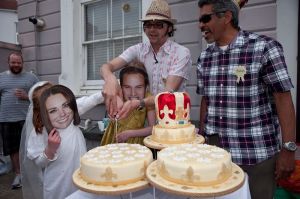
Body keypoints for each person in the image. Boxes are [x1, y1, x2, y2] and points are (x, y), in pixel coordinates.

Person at [196, 1, 296, 199]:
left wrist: (288, 149)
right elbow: (206, 101)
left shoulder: (264, 48)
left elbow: (283, 99)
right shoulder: (205, 57)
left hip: (256, 155)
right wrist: (201, 138)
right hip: (218, 157)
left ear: (226, 17)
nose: (200, 24)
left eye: (205, 18)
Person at [100, 0, 192, 120]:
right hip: (146, 123)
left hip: (174, 121)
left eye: (158, 25)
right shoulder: (139, 49)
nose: (152, 29)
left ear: (169, 28)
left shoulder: (181, 53)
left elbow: (167, 94)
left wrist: (138, 103)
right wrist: (110, 79)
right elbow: (107, 66)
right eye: (148, 24)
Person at [20, 82, 104, 199]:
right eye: (52, 110)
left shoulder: (69, 110)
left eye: (63, 104)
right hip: (58, 183)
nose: (62, 113)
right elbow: (39, 163)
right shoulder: (40, 131)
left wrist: (106, 92)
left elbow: (91, 100)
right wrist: (50, 150)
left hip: (81, 174)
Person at [0, 52, 39, 189]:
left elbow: (40, 96)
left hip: (26, 119)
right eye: (13, 62)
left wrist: (27, 96)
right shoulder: (1, 78)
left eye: (18, 62)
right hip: (6, 119)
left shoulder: (32, 78)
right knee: (13, 149)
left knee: (29, 147)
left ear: (22, 63)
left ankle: (30, 173)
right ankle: (18, 174)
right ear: (8, 62)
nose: (16, 65)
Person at [101, 66, 156, 145]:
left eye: (139, 87)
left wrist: (129, 133)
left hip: (134, 144)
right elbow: (104, 92)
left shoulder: (148, 100)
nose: (133, 93)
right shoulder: (118, 96)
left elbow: (153, 129)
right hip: (112, 139)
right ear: (120, 88)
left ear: (146, 88)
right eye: (127, 87)